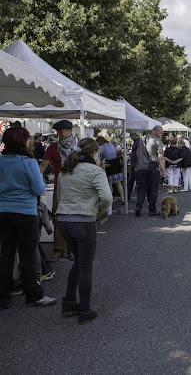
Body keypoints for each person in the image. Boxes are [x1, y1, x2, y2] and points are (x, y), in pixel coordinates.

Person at [0, 127, 57, 309]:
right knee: (27, 254)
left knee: (6, 254)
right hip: (25, 212)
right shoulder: (28, 161)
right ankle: (33, 293)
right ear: (22, 141)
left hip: (3, 212)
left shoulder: (1, 161)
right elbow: (39, 189)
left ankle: (3, 295)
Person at [57, 138, 112, 323]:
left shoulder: (65, 170)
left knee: (79, 261)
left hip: (63, 220)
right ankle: (84, 309)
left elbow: (59, 196)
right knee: (86, 265)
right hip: (83, 220)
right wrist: (98, 209)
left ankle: (69, 301)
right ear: (94, 153)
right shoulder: (95, 171)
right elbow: (106, 198)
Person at [40, 119, 76, 262]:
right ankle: (59, 249)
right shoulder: (53, 148)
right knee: (58, 218)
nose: (59, 134)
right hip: (59, 187)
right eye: (58, 131)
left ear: (70, 131)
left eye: (62, 131)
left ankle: (73, 249)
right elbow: (43, 165)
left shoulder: (79, 147)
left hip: (76, 188)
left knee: (74, 218)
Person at [135, 125, 166, 216]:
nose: (161, 134)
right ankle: (152, 210)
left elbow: (138, 153)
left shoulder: (142, 139)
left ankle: (138, 207)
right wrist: (163, 171)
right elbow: (160, 157)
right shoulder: (158, 142)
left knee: (142, 189)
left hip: (142, 167)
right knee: (153, 190)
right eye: (161, 132)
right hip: (153, 168)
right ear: (156, 131)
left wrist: (137, 165)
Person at [96, 136, 125, 204]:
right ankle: (123, 198)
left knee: (109, 183)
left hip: (109, 165)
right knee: (118, 182)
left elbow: (99, 158)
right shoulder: (111, 145)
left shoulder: (101, 148)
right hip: (116, 163)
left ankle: (110, 200)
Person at [127, 132, 141, 200]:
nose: (130, 137)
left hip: (136, 165)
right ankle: (128, 196)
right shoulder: (136, 142)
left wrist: (137, 166)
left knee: (137, 182)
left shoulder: (138, 142)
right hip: (134, 164)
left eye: (131, 135)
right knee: (131, 181)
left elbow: (138, 155)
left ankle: (139, 198)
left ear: (135, 135)